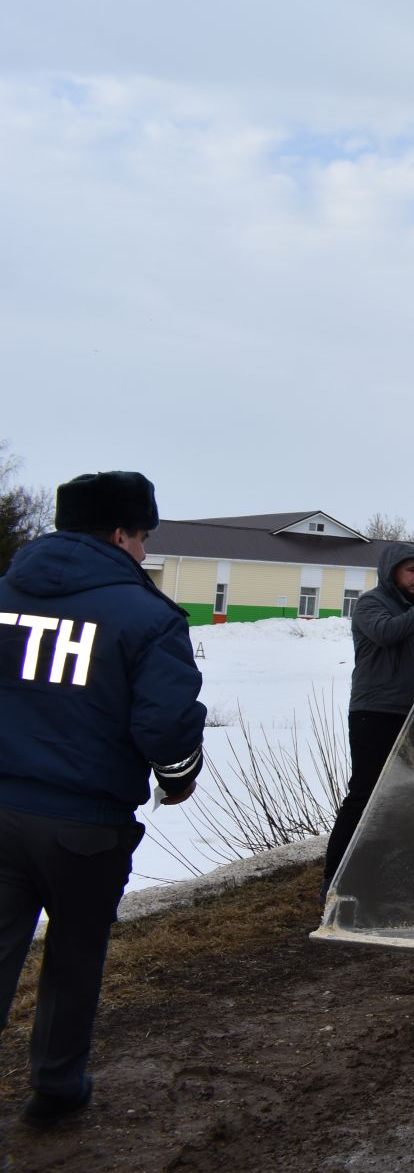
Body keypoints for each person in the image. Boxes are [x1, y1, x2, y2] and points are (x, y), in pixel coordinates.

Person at [0, 471, 205, 1128]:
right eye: (142, 538)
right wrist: (178, 776)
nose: (144, 553)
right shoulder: (147, 616)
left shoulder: (4, 595)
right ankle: (56, 1089)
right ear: (121, 534)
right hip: (85, 824)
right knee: (74, 955)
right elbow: (166, 726)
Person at [323, 542, 414, 883]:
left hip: (411, 716)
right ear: (391, 572)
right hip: (375, 714)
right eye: (410, 570)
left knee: (409, 795)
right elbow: (385, 634)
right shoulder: (372, 604)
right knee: (365, 793)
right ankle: (335, 878)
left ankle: (386, 872)